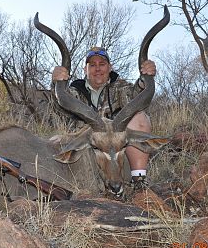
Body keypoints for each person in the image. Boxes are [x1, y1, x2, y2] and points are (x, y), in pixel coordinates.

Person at [52, 46, 156, 189]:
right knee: (56, 142)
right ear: (85, 70)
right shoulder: (73, 93)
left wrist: (146, 79)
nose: (98, 69)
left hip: (117, 155)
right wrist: (57, 84)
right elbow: (57, 108)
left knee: (139, 118)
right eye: (92, 65)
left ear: (110, 67)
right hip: (84, 154)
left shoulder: (121, 88)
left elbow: (138, 96)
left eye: (102, 64)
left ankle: (139, 182)